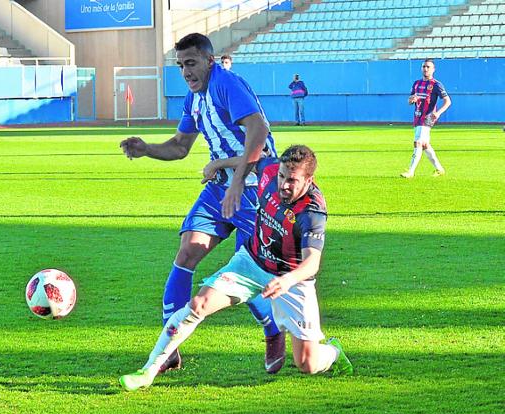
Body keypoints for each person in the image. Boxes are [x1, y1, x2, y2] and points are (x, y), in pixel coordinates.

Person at [119, 145, 354, 391]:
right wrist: (217, 165)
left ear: (309, 179)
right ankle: (148, 370)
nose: (283, 184)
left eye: (292, 181)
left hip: (290, 279)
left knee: (307, 363)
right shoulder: (270, 169)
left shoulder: (312, 212)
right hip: (251, 262)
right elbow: (250, 159)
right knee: (199, 304)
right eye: (282, 176)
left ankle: (334, 352)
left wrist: (286, 281)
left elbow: (312, 263)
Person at [120, 33, 286, 375]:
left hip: (255, 189)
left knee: (247, 274)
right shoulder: (193, 98)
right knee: (187, 253)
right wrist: (147, 148)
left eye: (191, 63)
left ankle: (273, 330)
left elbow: (259, 131)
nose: (185, 71)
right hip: (220, 187)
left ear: (210, 60)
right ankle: (168, 351)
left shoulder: (227, 85)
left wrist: (237, 183)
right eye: (181, 65)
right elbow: (181, 146)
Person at [401, 59, 451, 178]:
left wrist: (438, 113)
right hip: (417, 117)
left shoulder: (436, 84)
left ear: (433, 69)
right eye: (424, 66)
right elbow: (410, 100)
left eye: (428, 67)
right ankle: (439, 169)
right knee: (424, 145)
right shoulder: (416, 83)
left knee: (417, 142)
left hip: (428, 117)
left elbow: (448, 101)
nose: (425, 69)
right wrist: (411, 100)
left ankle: (411, 171)